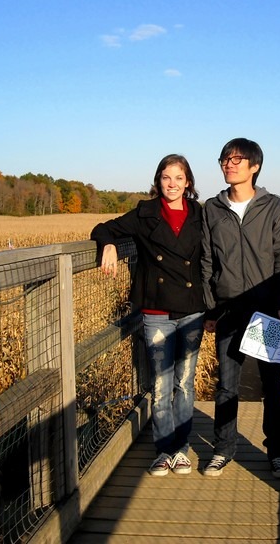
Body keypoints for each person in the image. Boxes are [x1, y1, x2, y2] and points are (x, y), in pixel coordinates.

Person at [90, 154, 206, 476]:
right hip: (156, 310)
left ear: (188, 183)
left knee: (184, 383)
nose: (172, 184)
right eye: (166, 178)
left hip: (192, 309)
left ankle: (181, 449)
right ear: (158, 181)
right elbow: (103, 228)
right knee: (160, 384)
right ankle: (163, 449)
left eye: (178, 178)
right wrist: (108, 245)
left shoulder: (200, 214)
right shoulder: (145, 213)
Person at [201, 138, 280, 479]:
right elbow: (207, 260)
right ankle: (223, 450)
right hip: (228, 310)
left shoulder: (273, 206)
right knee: (226, 385)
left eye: (237, 159)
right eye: (225, 158)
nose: (229, 164)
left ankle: (278, 453)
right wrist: (211, 309)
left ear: (254, 166)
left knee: (272, 384)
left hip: (266, 310)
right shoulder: (212, 208)